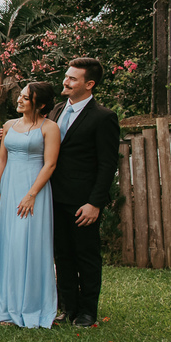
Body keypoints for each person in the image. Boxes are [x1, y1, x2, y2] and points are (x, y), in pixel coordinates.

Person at [49, 58, 120, 327]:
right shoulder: (55, 111)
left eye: (72, 79)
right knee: (63, 256)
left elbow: (107, 164)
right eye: (66, 76)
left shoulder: (104, 117)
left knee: (86, 256)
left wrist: (95, 203)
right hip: (54, 198)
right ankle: (68, 307)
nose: (65, 81)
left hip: (83, 202)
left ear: (89, 85)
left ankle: (88, 311)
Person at [0, 83, 60, 328]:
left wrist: (31, 194)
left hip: (33, 189)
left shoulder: (50, 128)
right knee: (8, 244)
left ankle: (29, 305)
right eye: (21, 95)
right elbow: (0, 159)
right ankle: (5, 306)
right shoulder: (8, 126)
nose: (19, 100)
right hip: (8, 188)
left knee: (26, 244)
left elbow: (49, 164)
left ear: (40, 104)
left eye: (26, 98)